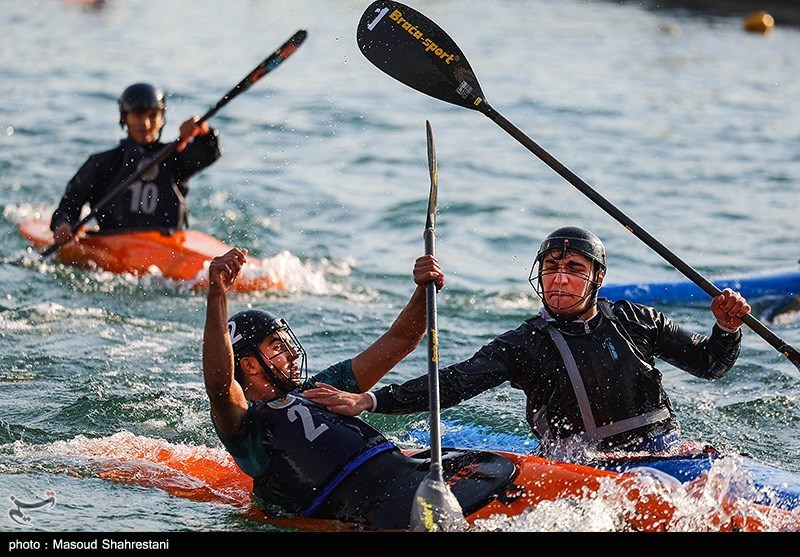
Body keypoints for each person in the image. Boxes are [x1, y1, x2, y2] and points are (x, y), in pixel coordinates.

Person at [304, 226, 752, 461]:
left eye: (574, 268)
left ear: (597, 278)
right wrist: (371, 400)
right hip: (578, 464)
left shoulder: (636, 320)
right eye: (552, 267)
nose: (559, 278)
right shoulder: (525, 343)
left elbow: (711, 366)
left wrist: (726, 329)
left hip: (663, 450)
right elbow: (455, 382)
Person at [202, 247, 514, 529]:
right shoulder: (246, 428)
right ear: (250, 365)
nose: (293, 353)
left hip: (406, 473)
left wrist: (423, 289)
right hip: (361, 511)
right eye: (277, 346)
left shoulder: (323, 388)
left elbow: (400, 341)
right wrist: (217, 294)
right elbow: (219, 386)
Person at [50, 82, 222, 246]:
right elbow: (70, 204)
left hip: (167, 246)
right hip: (114, 243)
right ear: (124, 117)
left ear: (162, 118)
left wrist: (203, 131)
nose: (145, 123)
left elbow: (209, 152)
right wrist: (63, 225)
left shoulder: (175, 159)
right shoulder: (103, 163)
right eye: (138, 115)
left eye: (153, 115)